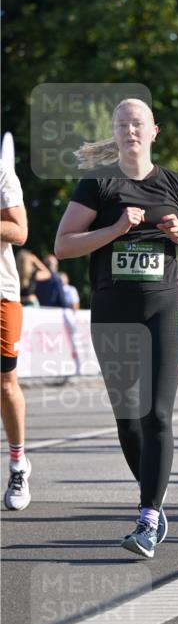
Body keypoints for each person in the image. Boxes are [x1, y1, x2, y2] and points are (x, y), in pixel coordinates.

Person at [54, 98, 178, 558]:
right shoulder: (98, 184)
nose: (130, 131)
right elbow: (63, 246)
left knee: (157, 413)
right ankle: (155, 504)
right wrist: (118, 228)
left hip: (165, 307)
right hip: (114, 310)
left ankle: (146, 516)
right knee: (128, 418)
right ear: (115, 133)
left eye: (138, 123)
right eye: (122, 124)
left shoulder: (174, 183)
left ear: (153, 131)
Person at [1, 153, 31, 510]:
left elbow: (19, 230)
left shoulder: (1, 173)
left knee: (5, 382)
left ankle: (18, 463)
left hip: (1, 293)